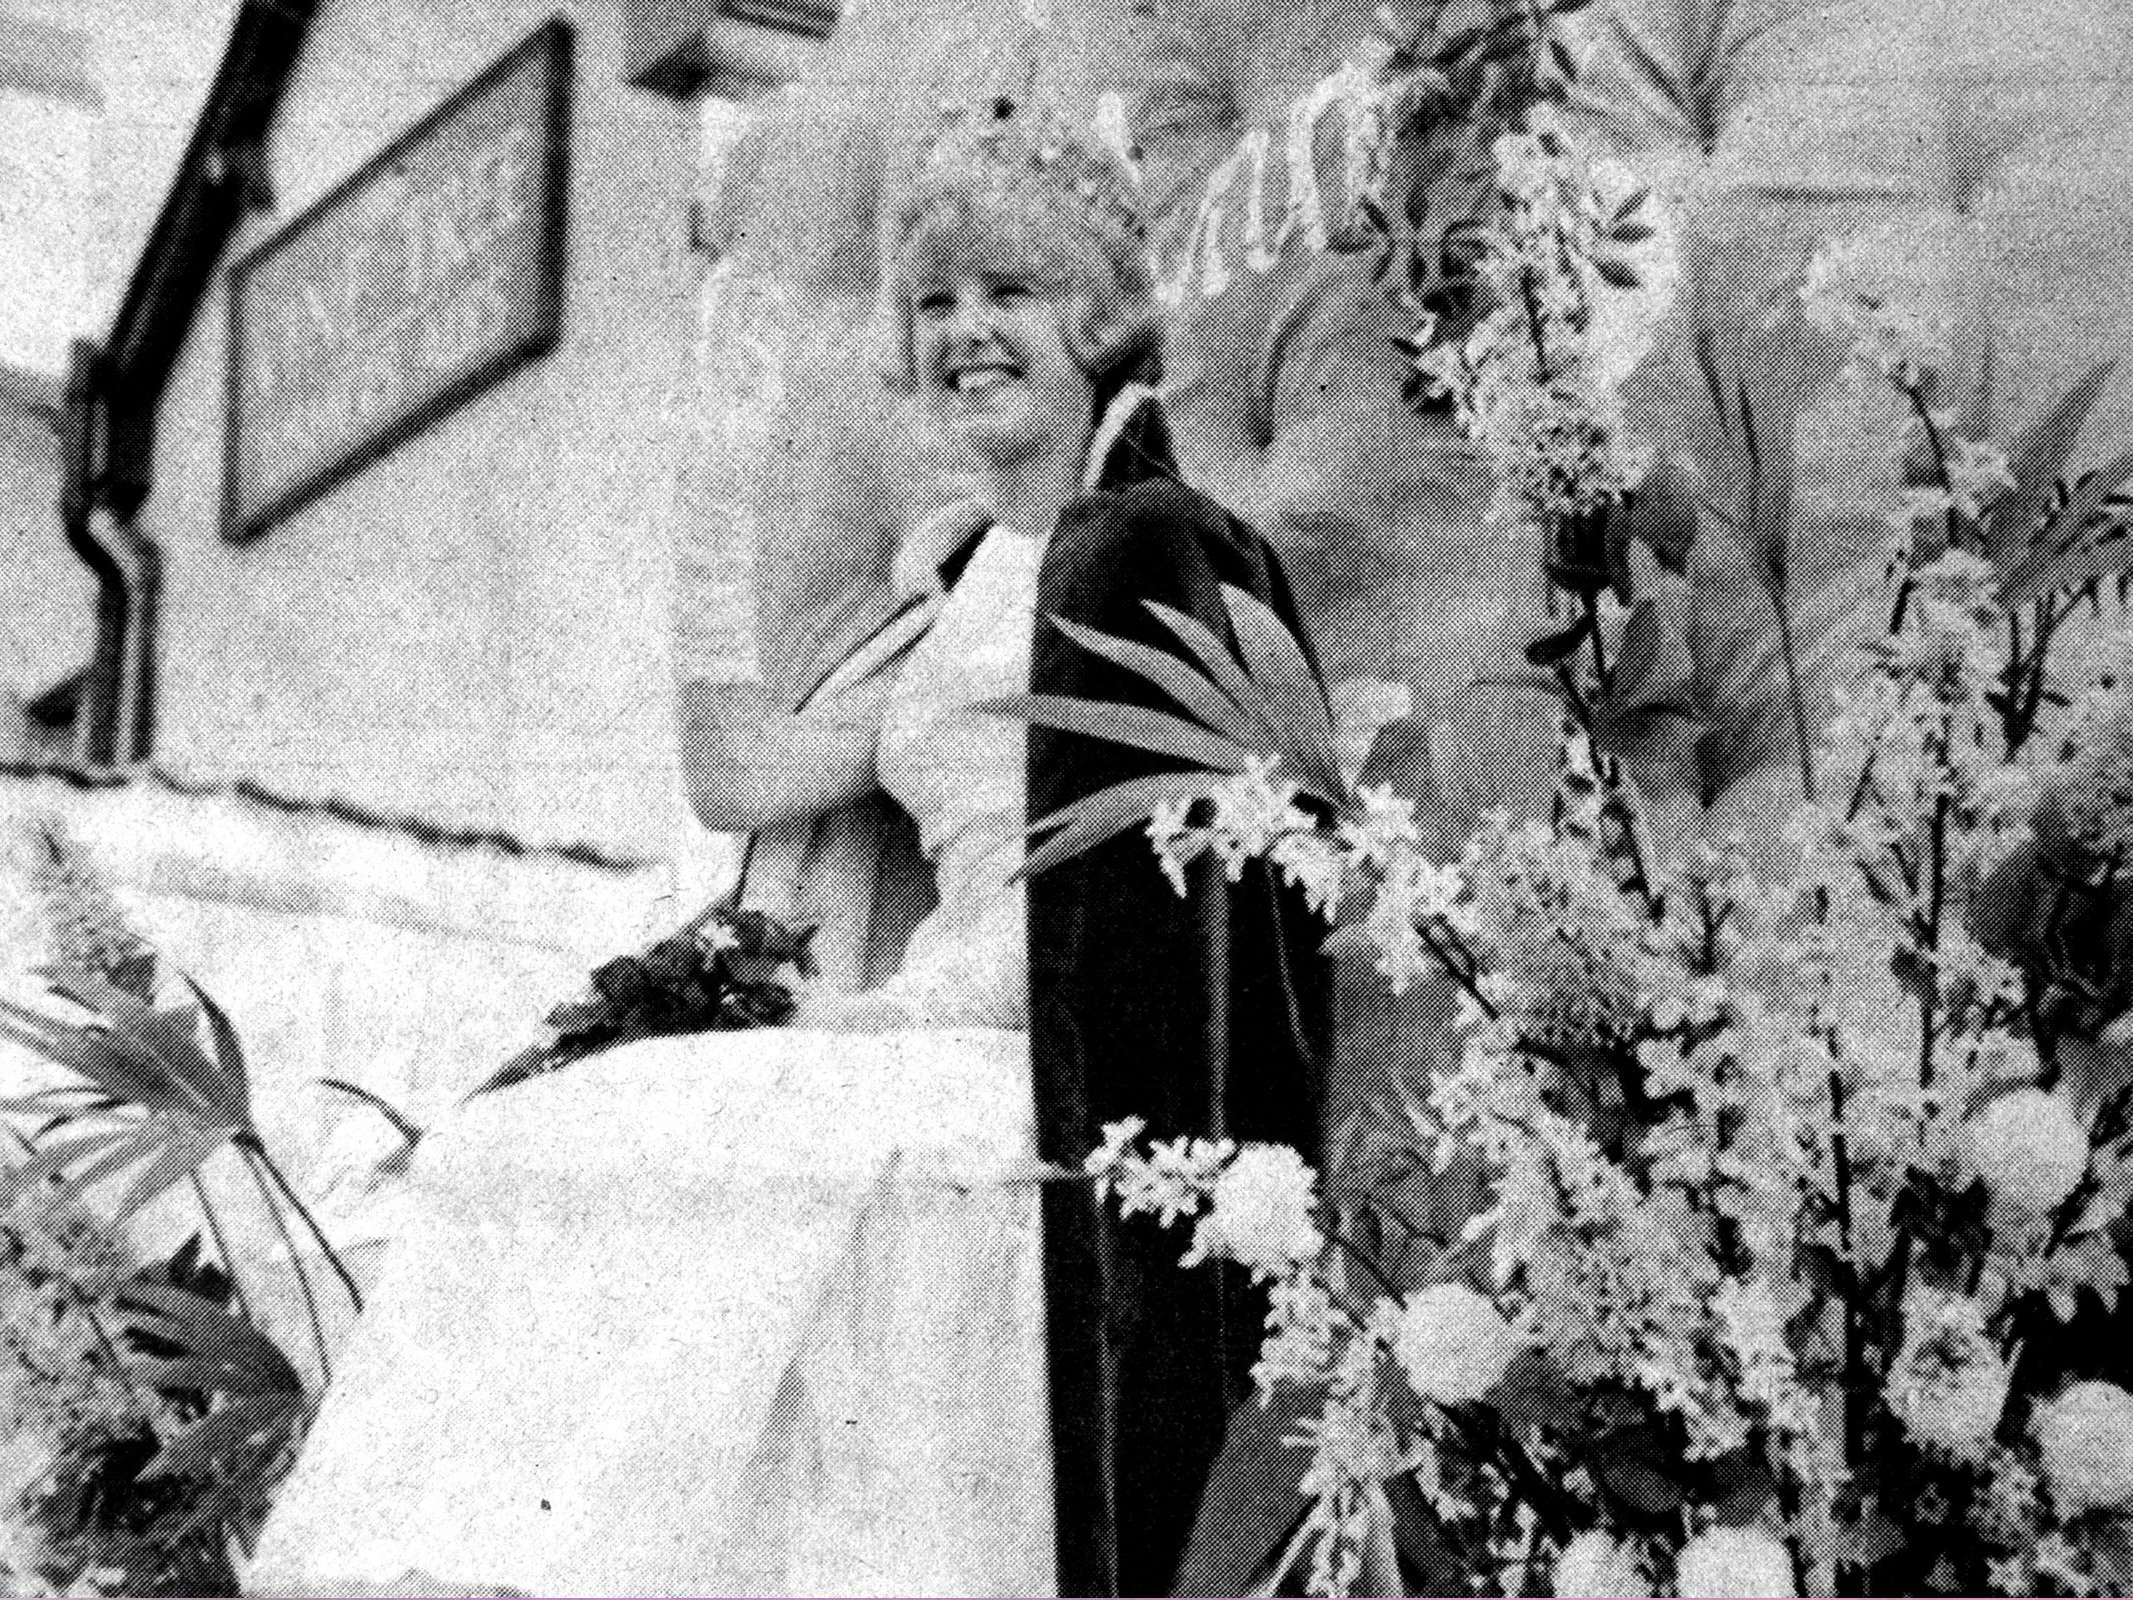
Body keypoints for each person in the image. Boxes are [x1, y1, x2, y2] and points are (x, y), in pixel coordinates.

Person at [244, 75, 1328, 1600]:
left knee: (669, 1157)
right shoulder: (964, 583)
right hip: (928, 1028)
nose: (964, 330)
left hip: (1042, 1060)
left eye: (1012, 290)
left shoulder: (1148, 545)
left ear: (1096, 315)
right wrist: (721, 468)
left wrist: (885, 1016)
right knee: (522, 1140)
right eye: (937, 298)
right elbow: (740, 771)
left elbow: (1150, 910)